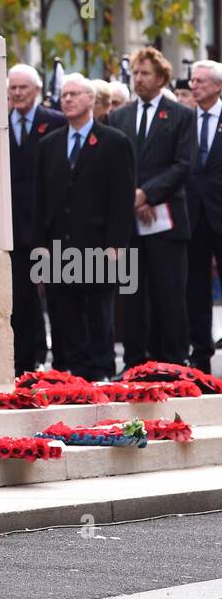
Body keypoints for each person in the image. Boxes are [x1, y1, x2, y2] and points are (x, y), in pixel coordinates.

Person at [32, 74, 135, 381]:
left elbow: (122, 198)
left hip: (100, 243)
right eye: (64, 95)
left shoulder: (115, 142)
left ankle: (102, 370)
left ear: (91, 100)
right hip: (59, 245)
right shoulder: (49, 144)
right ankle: (72, 374)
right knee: (65, 312)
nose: (67, 99)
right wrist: (40, 247)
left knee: (99, 312)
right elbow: (41, 199)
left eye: (75, 94)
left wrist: (116, 245)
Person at [108, 47, 195, 368]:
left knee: (168, 292)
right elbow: (116, 164)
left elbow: (183, 164)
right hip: (130, 222)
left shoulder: (181, 116)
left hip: (167, 220)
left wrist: (148, 194)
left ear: (161, 78)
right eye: (135, 74)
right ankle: (134, 362)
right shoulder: (120, 116)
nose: (139, 80)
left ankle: (172, 360)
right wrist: (132, 195)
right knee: (131, 293)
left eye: (145, 74)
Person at [6, 63, 66, 374]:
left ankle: (62, 363)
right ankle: (23, 362)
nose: (17, 93)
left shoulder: (55, 122)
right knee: (19, 298)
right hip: (13, 227)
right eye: (12, 88)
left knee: (56, 294)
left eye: (23, 88)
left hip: (49, 225)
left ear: (37, 91)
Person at [185, 60, 222, 374]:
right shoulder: (184, 120)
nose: (193, 85)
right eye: (192, 80)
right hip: (192, 218)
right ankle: (200, 354)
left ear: (218, 85)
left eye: (200, 81)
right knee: (195, 289)